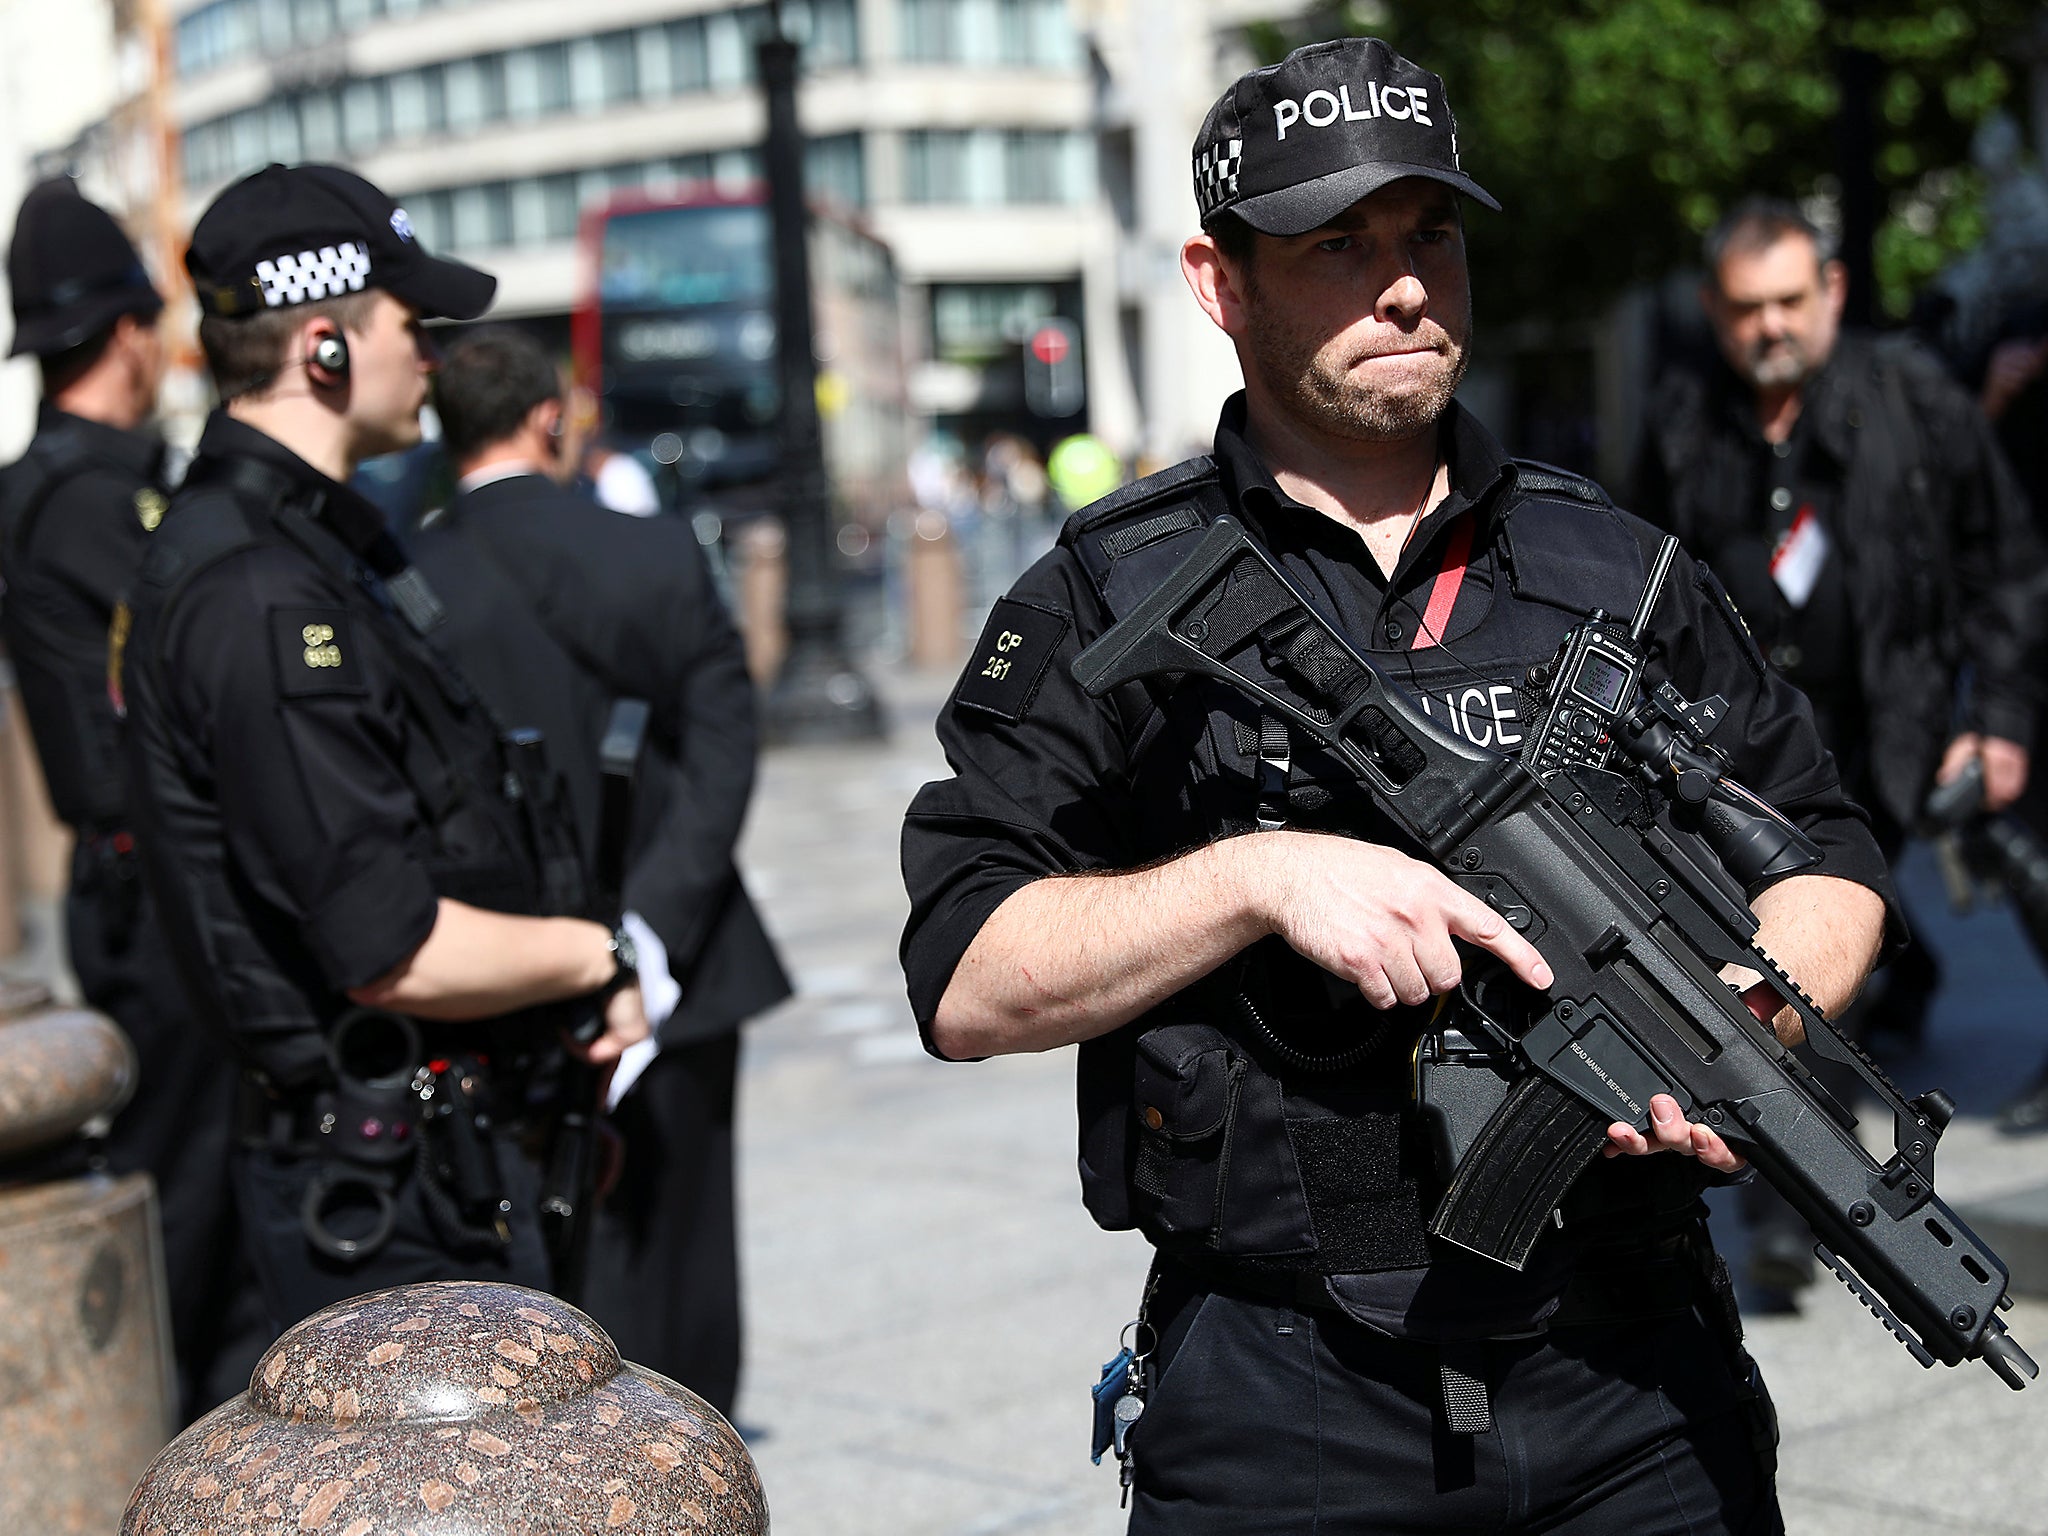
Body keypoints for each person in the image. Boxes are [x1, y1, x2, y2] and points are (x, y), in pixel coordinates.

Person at [901, 38, 1894, 1534]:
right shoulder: (1109, 595)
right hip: (1286, 1396)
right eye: (1337, 247)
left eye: (1431, 232)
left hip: (1635, 1373)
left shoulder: (1613, 570)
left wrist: (1756, 1009)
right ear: (1217, 282)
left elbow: (1824, 850)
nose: (1406, 283)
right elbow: (967, 977)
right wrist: (1260, 879)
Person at [119, 163, 649, 1337]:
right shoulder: (258, 588)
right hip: (389, 1191)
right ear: (324, 345)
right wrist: (592, 959)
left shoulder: (304, 543)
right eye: (412, 324)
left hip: (431, 1151)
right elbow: (386, 948)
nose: (433, 355)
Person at [1633, 198, 2044, 1299]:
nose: (1767, 327)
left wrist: (1995, 718)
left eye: (1785, 302)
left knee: (1867, 944)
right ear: (1713, 314)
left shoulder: (1912, 402)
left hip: (1887, 728)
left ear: (1830, 294)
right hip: (1739, 760)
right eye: (1742, 308)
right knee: (1770, 967)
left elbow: (2005, 569)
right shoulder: (1680, 418)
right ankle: (1783, 1205)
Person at [412, 325, 790, 1417]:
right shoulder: (654, 549)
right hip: (684, 952)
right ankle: (693, 1463)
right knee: (683, 1239)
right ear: (548, 419)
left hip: (499, 966)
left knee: (523, 1253)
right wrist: (653, 930)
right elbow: (723, 744)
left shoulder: (406, 580)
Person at [0, 177, 264, 1420]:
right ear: (124, 337)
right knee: (194, 1194)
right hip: (150, 893)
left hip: (136, 882)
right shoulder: (92, 499)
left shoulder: (71, 485)